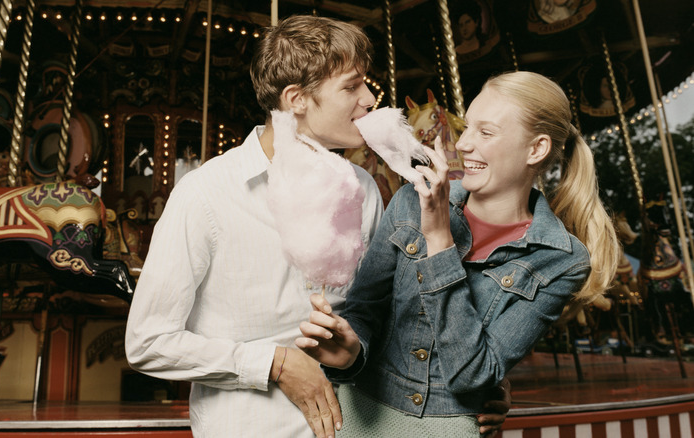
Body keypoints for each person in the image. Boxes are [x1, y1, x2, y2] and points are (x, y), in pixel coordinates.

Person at [125, 15, 509, 438]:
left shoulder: (362, 189)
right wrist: (276, 363)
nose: (369, 99)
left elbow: (388, 321)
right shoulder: (205, 195)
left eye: (366, 84)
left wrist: (471, 391)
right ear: (296, 99)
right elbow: (148, 342)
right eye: (351, 86)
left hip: (360, 428)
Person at [297, 71, 620, 436]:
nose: (463, 144)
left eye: (486, 132)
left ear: (536, 149)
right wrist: (351, 353)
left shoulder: (560, 259)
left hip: (446, 427)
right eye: (467, 128)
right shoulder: (410, 199)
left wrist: (438, 239)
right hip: (359, 413)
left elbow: (473, 374)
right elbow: (364, 310)